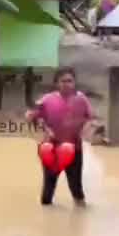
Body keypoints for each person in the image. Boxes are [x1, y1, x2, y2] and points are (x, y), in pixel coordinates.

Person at [26, 67, 98, 207]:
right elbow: (32, 116)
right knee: (48, 189)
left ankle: (79, 219)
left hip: (74, 147)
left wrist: (89, 130)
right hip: (51, 147)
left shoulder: (81, 99)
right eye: (63, 81)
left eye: (70, 81)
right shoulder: (47, 100)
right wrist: (31, 117)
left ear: (74, 83)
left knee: (76, 188)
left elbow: (91, 118)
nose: (66, 84)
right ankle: (46, 220)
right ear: (56, 83)